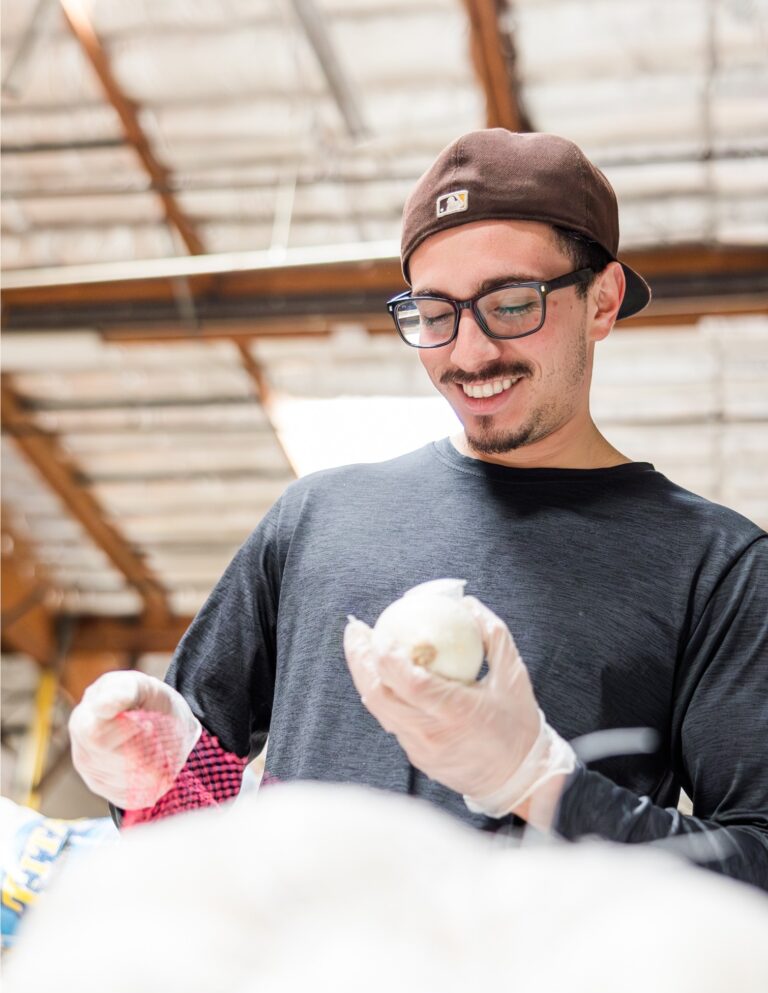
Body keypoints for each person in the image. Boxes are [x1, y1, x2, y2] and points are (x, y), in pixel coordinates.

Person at [69, 130, 768, 889]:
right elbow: (188, 810)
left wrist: (543, 786)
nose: (468, 353)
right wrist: (145, 775)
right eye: (434, 312)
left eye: (509, 304)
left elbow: (755, 863)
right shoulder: (315, 517)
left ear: (601, 300)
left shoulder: (713, 564)